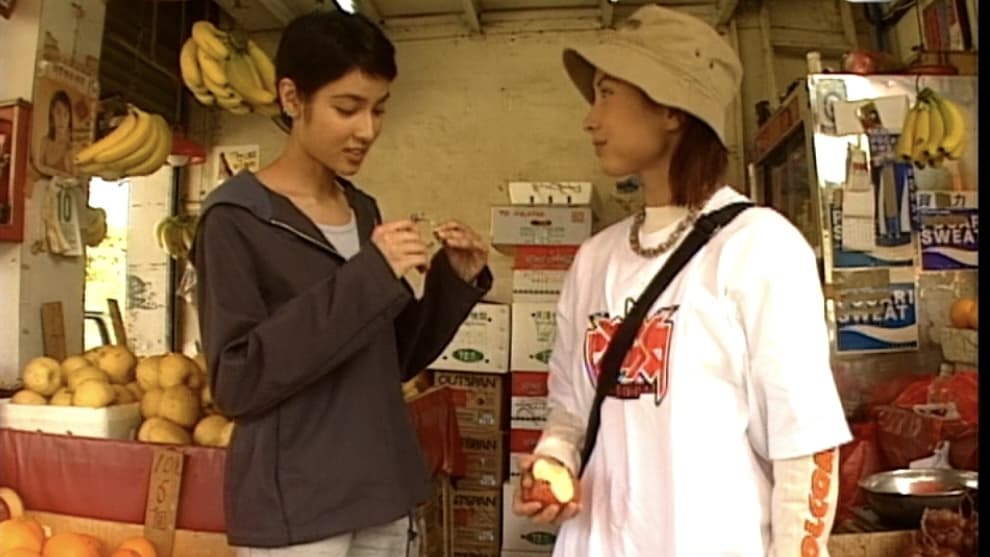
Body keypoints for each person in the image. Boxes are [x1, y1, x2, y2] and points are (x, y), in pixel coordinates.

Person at [512, 5, 851, 556]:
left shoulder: (758, 247)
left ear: (670, 108)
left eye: (606, 93)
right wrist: (554, 460)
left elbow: (804, 445)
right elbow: (570, 409)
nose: (590, 119)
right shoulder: (593, 260)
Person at [191, 10, 492, 556]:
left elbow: (392, 357)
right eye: (347, 108)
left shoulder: (362, 209)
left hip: (382, 493)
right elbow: (237, 381)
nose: (367, 130)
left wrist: (453, 282)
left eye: (379, 109)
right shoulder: (235, 219)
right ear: (292, 98)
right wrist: (369, 277)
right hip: (300, 509)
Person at [40, 89, 73, 173]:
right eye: (58, 113)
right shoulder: (45, 142)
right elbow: (38, 171)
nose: (62, 119)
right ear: (52, 115)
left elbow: (73, 177)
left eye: (65, 114)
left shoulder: (70, 148)